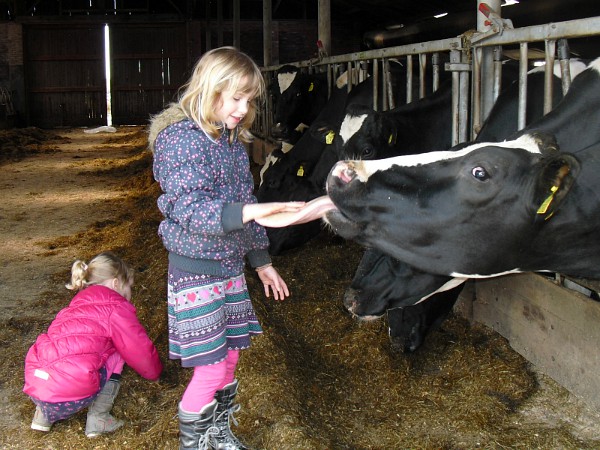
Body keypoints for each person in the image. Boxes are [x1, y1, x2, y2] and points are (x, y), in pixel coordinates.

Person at [149, 46, 308, 450]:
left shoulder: (232, 144)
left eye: (249, 99)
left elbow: (244, 207)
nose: (243, 108)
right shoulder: (181, 141)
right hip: (196, 270)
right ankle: (193, 444)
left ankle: (216, 434)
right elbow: (192, 209)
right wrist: (256, 210)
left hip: (230, 270)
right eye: (236, 97)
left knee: (231, 356)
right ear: (209, 88)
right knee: (210, 366)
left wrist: (262, 262)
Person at [23, 251, 163, 438]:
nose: (129, 294)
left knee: (60, 351)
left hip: (37, 387)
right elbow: (139, 350)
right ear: (116, 283)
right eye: (129, 287)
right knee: (118, 350)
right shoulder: (116, 308)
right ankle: (99, 418)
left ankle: (42, 417)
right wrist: (155, 374)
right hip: (72, 393)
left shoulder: (74, 305)